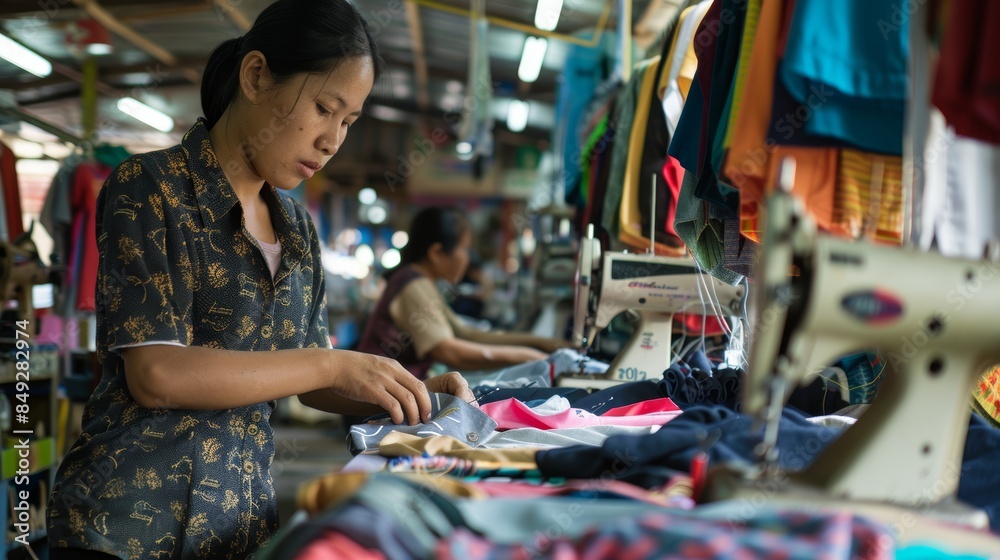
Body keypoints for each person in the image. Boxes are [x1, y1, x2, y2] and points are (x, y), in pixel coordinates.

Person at [46, 2, 473, 558]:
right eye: (324, 108)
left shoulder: (297, 227)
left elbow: (311, 383)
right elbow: (157, 373)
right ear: (255, 77)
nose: (332, 141)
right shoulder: (151, 189)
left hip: (239, 527)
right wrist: (331, 363)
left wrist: (407, 393)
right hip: (125, 532)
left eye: (348, 122)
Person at [356, 207, 567, 379]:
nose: (467, 258)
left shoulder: (420, 281)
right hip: (374, 402)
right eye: (464, 249)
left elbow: (467, 334)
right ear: (436, 253)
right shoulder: (413, 284)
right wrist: (531, 357)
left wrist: (539, 344)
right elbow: (448, 350)